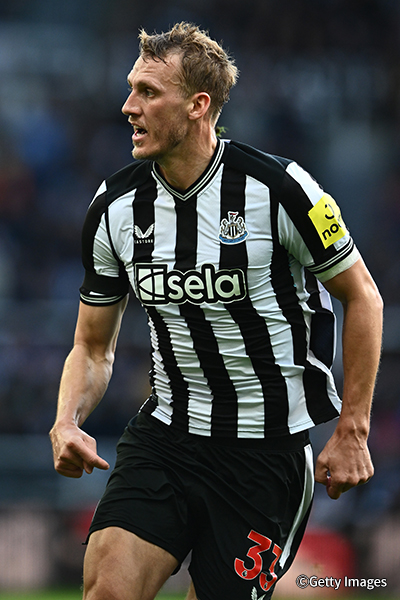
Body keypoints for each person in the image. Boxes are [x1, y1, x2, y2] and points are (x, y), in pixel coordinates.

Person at [49, 22, 383, 600]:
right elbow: (93, 346)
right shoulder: (115, 207)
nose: (129, 107)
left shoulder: (280, 189)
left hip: (265, 456)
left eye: (149, 92)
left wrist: (353, 429)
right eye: (131, 89)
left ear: (198, 105)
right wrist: (67, 420)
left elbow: (364, 297)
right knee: (107, 592)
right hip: (166, 438)